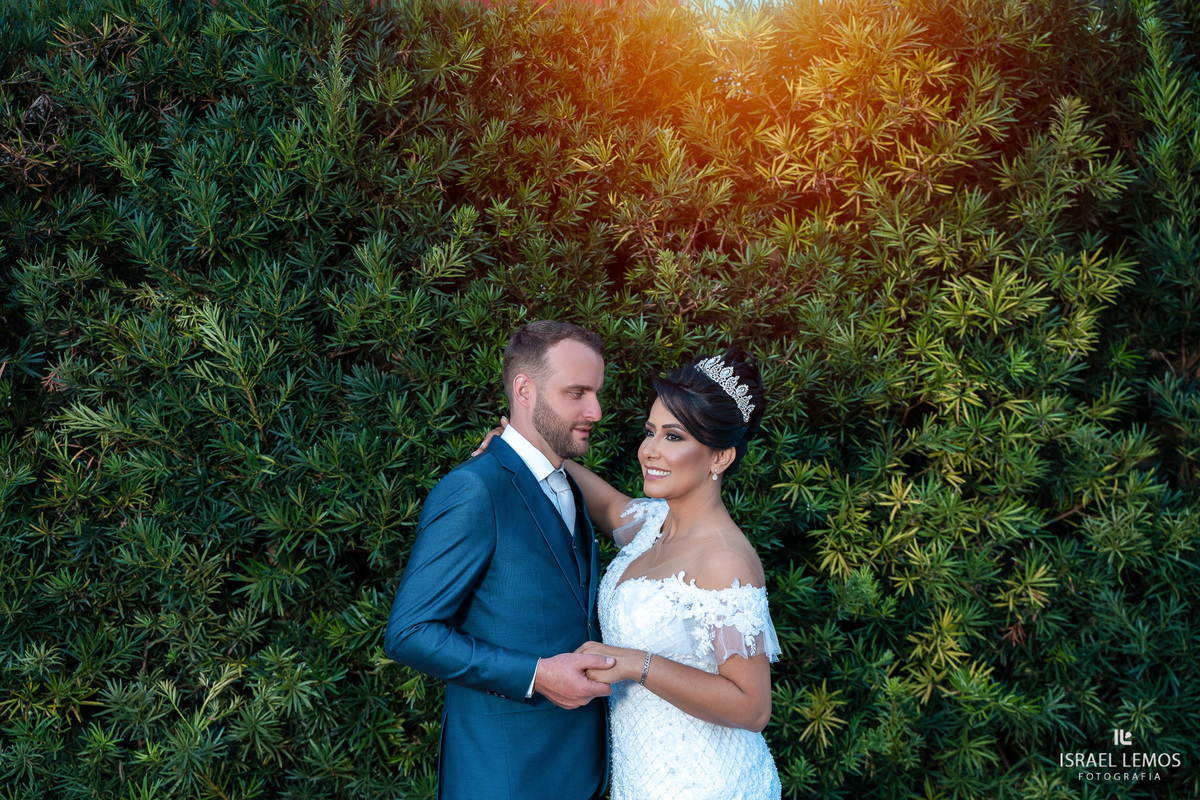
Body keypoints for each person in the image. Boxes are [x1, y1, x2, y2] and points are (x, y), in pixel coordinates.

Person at [481, 347, 782, 799]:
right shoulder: (650, 525)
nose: (650, 451)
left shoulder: (724, 559)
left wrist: (637, 665)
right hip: (640, 778)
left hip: (706, 784)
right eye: (650, 432)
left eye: (673, 437)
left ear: (720, 457)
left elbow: (752, 706)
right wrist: (524, 449)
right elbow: (601, 502)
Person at [384, 320, 615, 800]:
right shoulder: (474, 490)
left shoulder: (568, 484)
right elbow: (409, 632)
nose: (595, 409)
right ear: (524, 390)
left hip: (583, 771)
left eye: (595, 392)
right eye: (577, 393)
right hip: (504, 776)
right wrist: (536, 674)